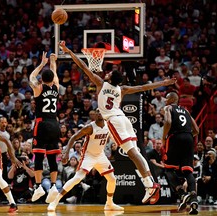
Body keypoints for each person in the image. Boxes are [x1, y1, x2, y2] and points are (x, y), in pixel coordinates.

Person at [59, 41, 176, 204]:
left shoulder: (100, 83)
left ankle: (150, 185)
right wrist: (163, 84)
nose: (106, 73)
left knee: (131, 153)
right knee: (136, 153)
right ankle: (150, 183)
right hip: (124, 118)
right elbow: (142, 87)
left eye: (108, 74)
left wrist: (68, 51)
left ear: (109, 77)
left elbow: (83, 66)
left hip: (114, 120)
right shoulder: (123, 89)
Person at [48, 109, 124, 212]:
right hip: (88, 155)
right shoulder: (90, 127)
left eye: (102, 111)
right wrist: (66, 152)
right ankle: (55, 202)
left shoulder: (108, 125)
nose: (100, 113)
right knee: (77, 178)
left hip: (100, 155)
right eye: (98, 112)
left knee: (112, 179)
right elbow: (74, 137)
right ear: (95, 114)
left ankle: (109, 203)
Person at [29, 52, 61, 203]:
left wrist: (42, 64)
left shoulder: (38, 88)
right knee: (52, 156)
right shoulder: (56, 87)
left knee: (39, 156)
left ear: (42, 79)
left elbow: (31, 78)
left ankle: (38, 187)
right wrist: (53, 61)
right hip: (55, 124)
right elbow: (54, 75)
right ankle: (54, 186)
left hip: (42, 123)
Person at [162, 92, 199, 215]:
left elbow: (167, 122)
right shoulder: (186, 111)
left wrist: (164, 137)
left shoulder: (168, 108)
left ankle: (182, 194)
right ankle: (193, 198)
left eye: (166, 98)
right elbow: (197, 130)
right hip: (189, 137)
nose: (165, 101)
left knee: (168, 169)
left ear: (171, 99)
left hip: (175, 137)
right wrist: (186, 136)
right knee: (188, 171)